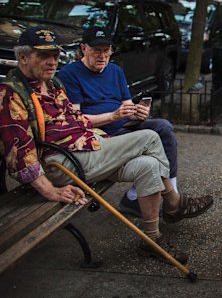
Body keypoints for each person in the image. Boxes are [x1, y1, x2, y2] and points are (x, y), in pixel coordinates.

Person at [0, 26, 214, 265]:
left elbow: (76, 120)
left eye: (55, 56)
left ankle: (151, 240)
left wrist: (111, 133)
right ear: (23, 57)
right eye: (43, 56)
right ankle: (173, 202)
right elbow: (21, 156)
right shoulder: (11, 95)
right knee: (151, 137)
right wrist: (51, 191)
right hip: (61, 164)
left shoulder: (52, 85)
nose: (52, 62)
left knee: (148, 165)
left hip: (86, 148)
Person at [58, 26, 211, 218]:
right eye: (97, 50)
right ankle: (170, 203)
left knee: (163, 127)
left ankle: (149, 197)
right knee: (153, 139)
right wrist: (113, 116)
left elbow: (127, 106)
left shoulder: (115, 70)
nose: (102, 55)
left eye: (107, 50)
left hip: (124, 126)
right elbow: (76, 120)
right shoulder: (70, 74)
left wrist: (139, 113)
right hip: (102, 136)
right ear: (83, 48)